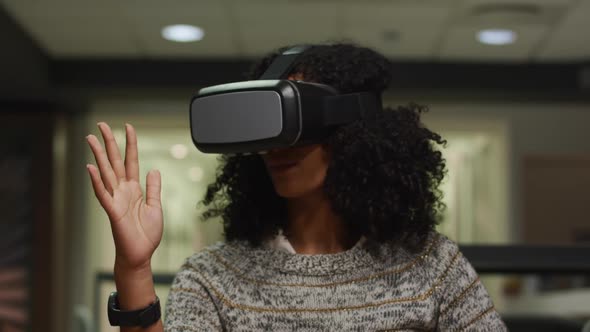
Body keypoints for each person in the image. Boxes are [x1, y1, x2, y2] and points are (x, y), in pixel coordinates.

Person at [86, 43, 507, 331]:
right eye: (268, 131)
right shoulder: (214, 276)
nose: (279, 148)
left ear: (353, 130)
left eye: (300, 124)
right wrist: (135, 269)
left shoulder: (431, 265)